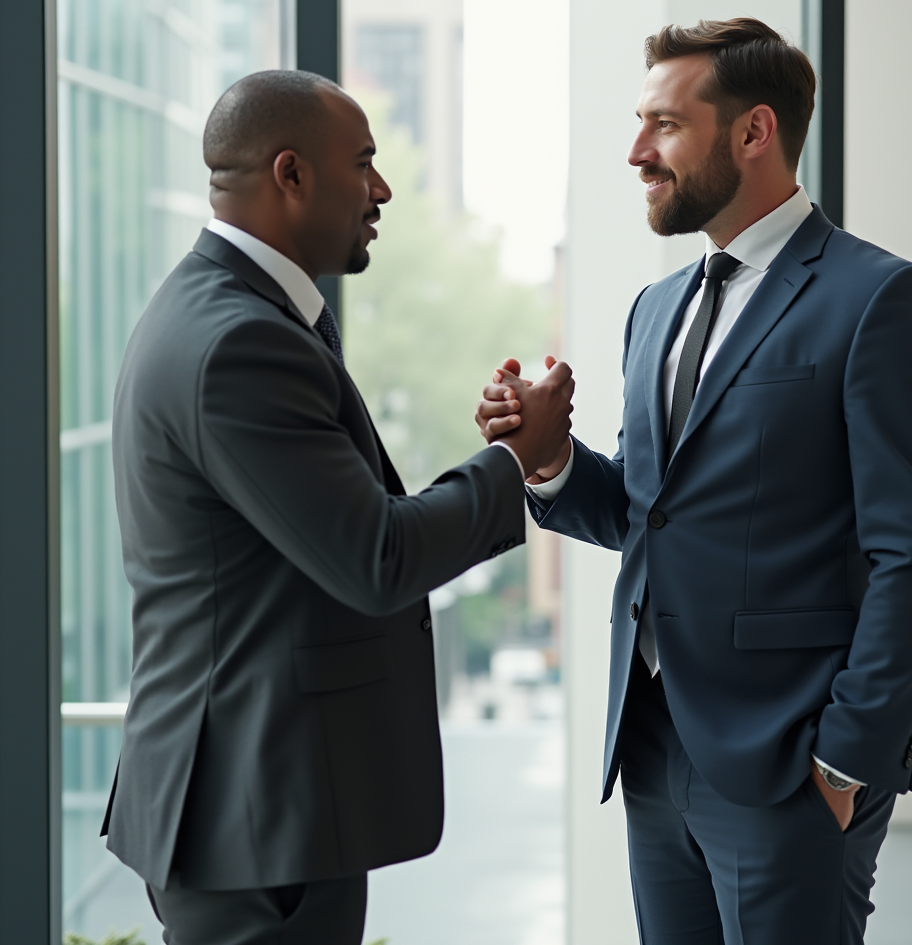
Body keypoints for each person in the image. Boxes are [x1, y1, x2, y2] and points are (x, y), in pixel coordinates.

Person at [477, 18, 912, 944]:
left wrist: (845, 762)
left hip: (794, 765)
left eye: (663, 126)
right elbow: (648, 514)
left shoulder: (881, 298)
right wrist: (547, 460)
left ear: (754, 133)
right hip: (654, 750)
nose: (636, 152)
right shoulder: (656, 308)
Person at [102, 69, 573, 945]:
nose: (382, 189)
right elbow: (377, 559)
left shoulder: (221, 313)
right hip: (258, 819)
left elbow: (326, 528)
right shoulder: (241, 341)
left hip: (253, 808)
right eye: (363, 164)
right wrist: (515, 459)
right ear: (291, 174)